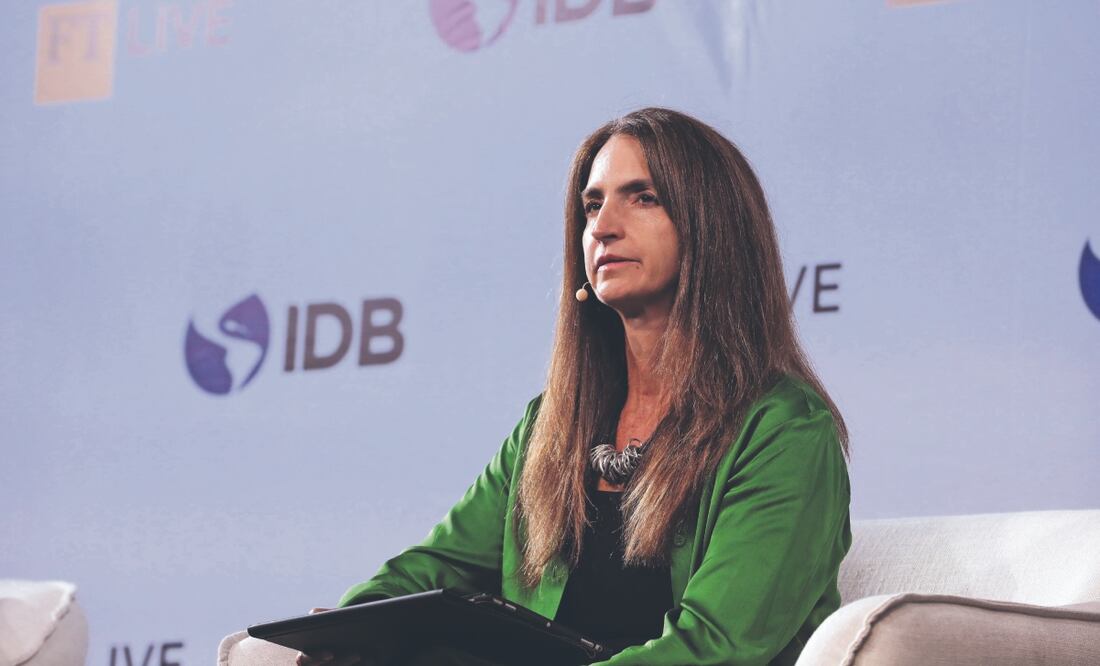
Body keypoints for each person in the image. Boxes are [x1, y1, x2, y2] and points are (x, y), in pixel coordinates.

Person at [298, 107, 852, 665]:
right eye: (592, 205)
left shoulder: (785, 430)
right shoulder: (549, 425)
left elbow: (714, 649)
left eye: (643, 197)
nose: (603, 226)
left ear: (713, 229)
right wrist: (349, 630)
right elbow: (436, 568)